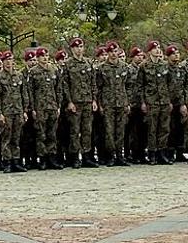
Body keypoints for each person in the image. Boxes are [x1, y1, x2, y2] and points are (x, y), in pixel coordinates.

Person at [59, 38, 100, 168]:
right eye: (76, 47)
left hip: (87, 101)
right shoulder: (68, 64)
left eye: (81, 46)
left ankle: (87, 156)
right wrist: (69, 102)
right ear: (72, 49)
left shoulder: (88, 63)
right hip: (75, 102)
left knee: (87, 130)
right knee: (75, 131)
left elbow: (93, 83)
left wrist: (94, 99)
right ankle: (75, 157)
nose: (79, 49)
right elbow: (65, 85)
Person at [25, 48, 61, 170]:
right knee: (41, 134)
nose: (45, 58)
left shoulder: (54, 70)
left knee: (52, 134)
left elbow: (58, 89)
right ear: (38, 58)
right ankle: (43, 158)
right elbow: (30, 91)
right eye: (42, 56)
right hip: (40, 107)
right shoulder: (33, 72)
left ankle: (52, 157)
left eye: (47, 56)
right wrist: (33, 108)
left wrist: (58, 105)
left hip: (52, 106)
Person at [98, 44, 133, 167]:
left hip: (122, 102)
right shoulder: (102, 68)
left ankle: (120, 155)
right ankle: (111, 156)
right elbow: (99, 87)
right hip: (108, 103)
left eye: (115, 51)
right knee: (109, 131)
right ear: (107, 53)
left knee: (120, 131)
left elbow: (128, 86)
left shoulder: (124, 67)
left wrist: (128, 101)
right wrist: (100, 104)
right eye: (111, 51)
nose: (113, 53)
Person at [0, 51, 27, 173]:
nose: (8, 62)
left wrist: (24, 110)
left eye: (10, 60)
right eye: (5, 60)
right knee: (6, 138)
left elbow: (24, 93)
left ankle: (16, 161)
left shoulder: (18, 76)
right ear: (2, 62)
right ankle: (7, 162)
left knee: (16, 138)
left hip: (18, 110)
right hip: (6, 112)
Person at [142, 46, 176, 165]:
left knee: (164, 128)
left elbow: (170, 84)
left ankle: (162, 153)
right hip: (151, 101)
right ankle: (152, 153)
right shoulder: (144, 66)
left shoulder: (165, 65)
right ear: (149, 51)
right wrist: (143, 102)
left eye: (159, 48)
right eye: (154, 49)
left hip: (164, 101)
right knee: (152, 129)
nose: (157, 50)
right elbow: (140, 85)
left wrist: (169, 100)